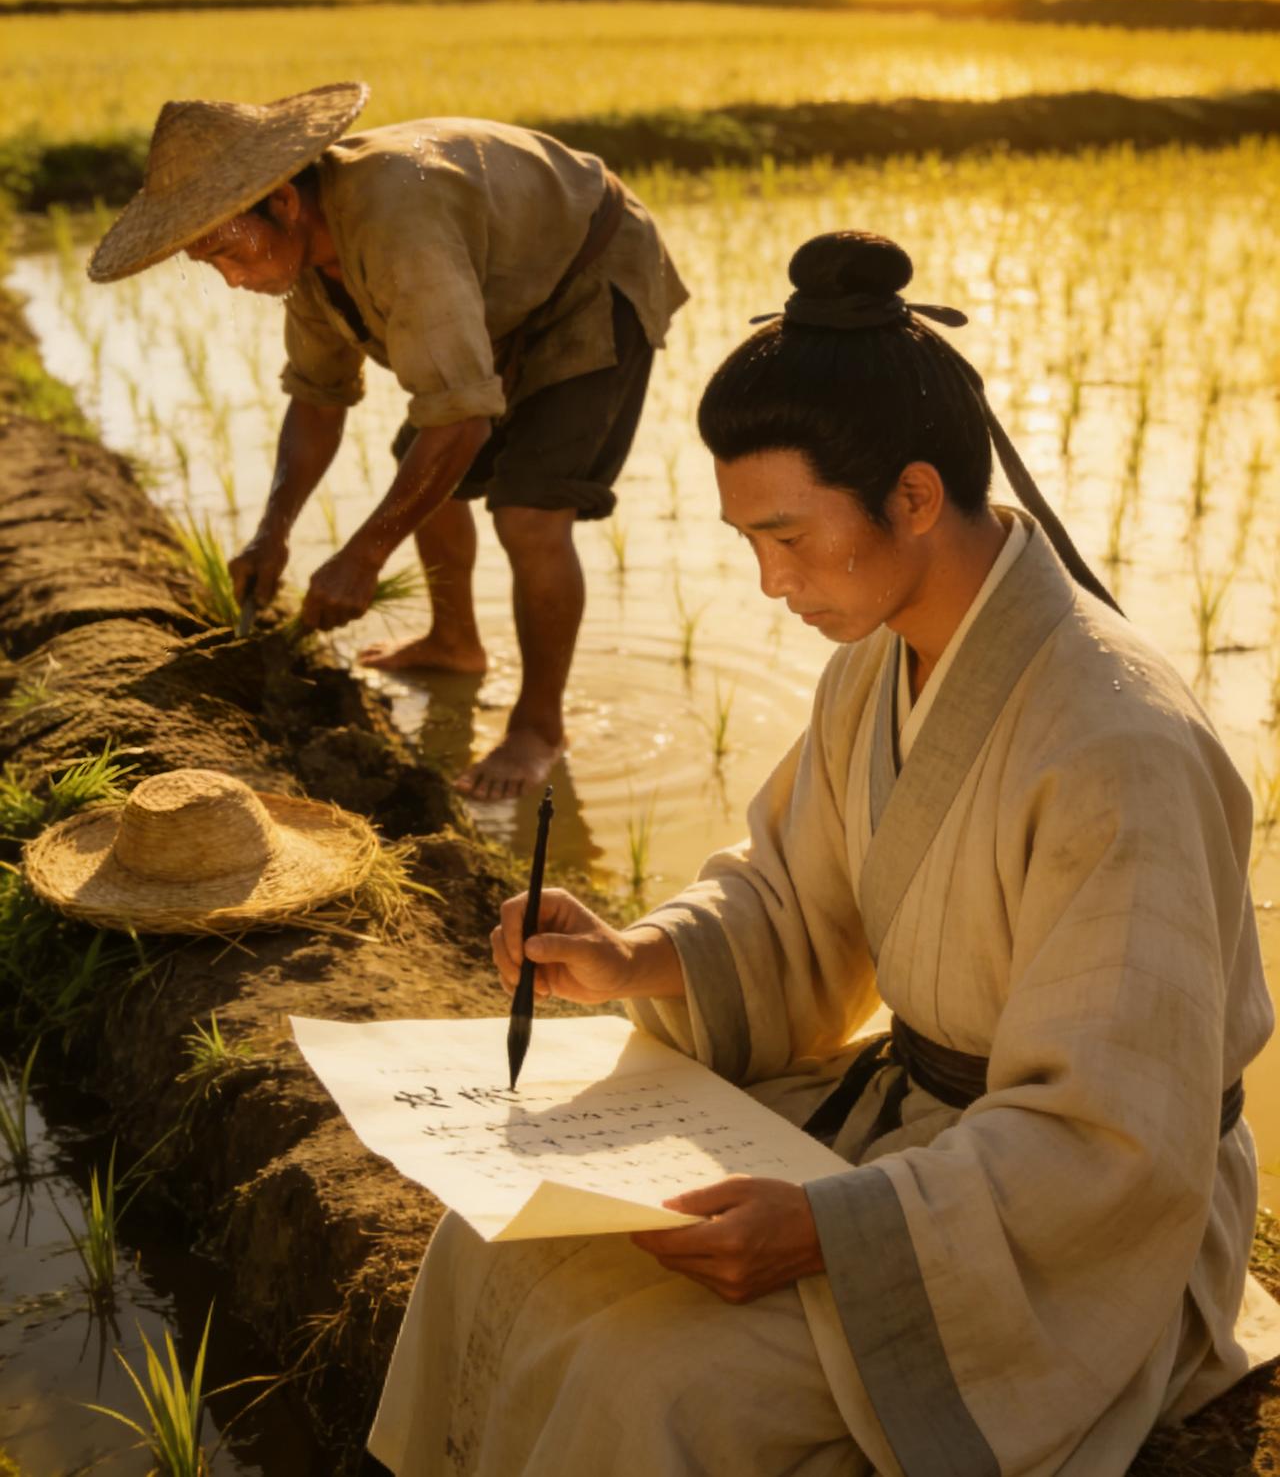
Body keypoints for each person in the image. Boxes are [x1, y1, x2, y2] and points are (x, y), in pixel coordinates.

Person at [367, 230, 1280, 1476]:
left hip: (1059, 1233)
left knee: (651, 1383)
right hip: (917, 1145)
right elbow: (791, 896)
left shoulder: (1115, 746)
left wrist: (831, 1231)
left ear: (911, 496)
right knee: (492, 1249)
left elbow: (1112, 1133)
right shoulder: (875, 661)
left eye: (788, 537)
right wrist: (638, 956)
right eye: (749, 541)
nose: (765, 582)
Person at [87, 82, 688, 800]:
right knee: (420, 470)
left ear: (282, 201)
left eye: (226, 249)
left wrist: (363, 556)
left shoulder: (398, 221)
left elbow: (461, 420)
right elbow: (316, 403)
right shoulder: (306, 258)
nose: (230, 276)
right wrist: (271, 534)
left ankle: (538, 726)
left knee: (530, 512)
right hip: (502, 295)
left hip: (590, 274)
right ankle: (455, 643)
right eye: (208, 260)